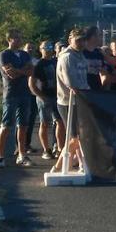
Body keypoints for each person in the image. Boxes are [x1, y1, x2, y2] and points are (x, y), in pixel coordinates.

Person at [52, 28, 90, 172]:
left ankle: (73, 165)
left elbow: (84, 78)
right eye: (78, 40)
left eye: (83, 40)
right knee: (75, 136)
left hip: (80, 100)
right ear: (70, 41)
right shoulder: (67, 57)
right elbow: (71, 82)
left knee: (77, 136)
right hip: (68, 101)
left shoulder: (80, 55)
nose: (81, 43)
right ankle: (65, 166)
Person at [0, 29, 34, 167]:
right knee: (6, 125)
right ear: (10, 39)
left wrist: (19, 71)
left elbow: (31, 71)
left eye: (20, 37)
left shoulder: (24, 54)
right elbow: (10, 74)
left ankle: (22, 154)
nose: (19, 40)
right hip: (11, 94)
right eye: (16, 38)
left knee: (23, 125)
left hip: (25, 93)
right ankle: (0, 156)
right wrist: (22, 70)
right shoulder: (3, 55)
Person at [28, 40, 63, 160]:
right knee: (44, 123)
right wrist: (40, 96)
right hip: (44, 97)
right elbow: (31, 83)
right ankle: (46, 149)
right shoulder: (38, 64)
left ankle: (59, 148)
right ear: (40, 49)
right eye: (45, 47)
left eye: (50, 47)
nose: (48, 49)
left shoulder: (56, 62)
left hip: (57, 96)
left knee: (60, 122)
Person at [23, 42, 39, 154]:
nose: (30, 50)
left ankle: (27, 144)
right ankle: (19, 146)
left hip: (33, 94)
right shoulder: (19, 60)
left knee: (31, 119)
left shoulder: (36, 62)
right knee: (22, 121)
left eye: (32, 48)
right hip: (22, 93)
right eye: (28, 48)